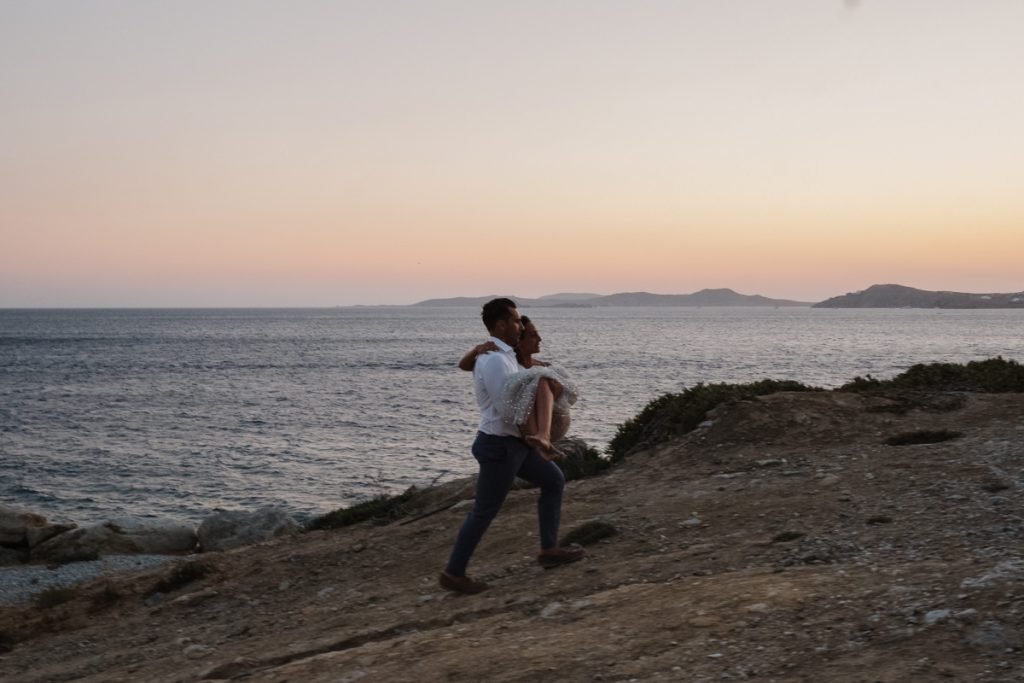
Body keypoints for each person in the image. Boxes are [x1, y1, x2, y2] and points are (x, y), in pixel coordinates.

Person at [440, 299, 585, 595]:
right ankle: (454, 573)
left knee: (554, 481)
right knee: (484, 510)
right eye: (516, 321)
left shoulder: (507, 356)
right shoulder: (493, 360)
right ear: (501, 324)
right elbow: (508, 409)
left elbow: (522, 386)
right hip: (500, 446)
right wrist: (536, 433)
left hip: (516, 445)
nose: (520, 326)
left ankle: (548, 550)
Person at [458, 316, 577, 459]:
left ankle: (543, 442)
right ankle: (542, 440)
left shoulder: (536, 366)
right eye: (533, 335)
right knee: (538, 382)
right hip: (512, 441)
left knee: (544, 380)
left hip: (531, 440)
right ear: (519, 341)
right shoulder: (507, 363)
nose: (540, 339)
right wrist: (476, 349)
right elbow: (464, 365)